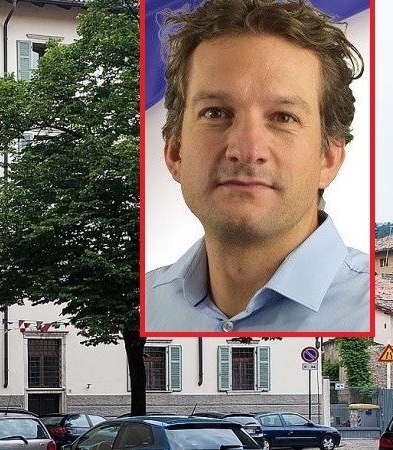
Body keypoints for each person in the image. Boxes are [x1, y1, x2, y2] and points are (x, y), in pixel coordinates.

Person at [144, 0, 370, 333]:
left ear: (329, 158)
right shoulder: (147, 303)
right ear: (175, 152)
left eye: (283, 117)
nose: (247, 151)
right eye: (216, 113)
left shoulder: (371, 306)